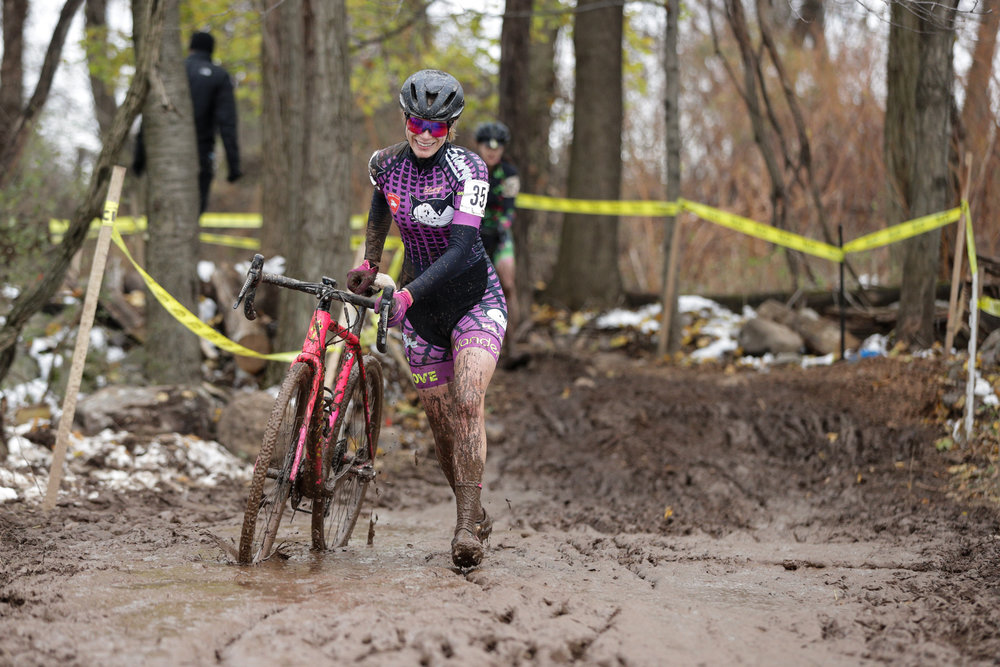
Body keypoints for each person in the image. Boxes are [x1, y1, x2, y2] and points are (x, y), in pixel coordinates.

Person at [346, 69, 506, 568]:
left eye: (436, 127)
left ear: (451, 128)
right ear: (405, 119)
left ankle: (464, 530)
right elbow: (379, 211)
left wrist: (407, 295)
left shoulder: (470, 169)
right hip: (422, 314)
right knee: (441, 426)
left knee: (467, 400)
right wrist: (369, 265)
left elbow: (461, 250)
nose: (423, 134)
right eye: (416, 122)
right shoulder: (385, 164)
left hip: (474, 300)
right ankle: (472, 508)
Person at [133, 31, 242, 214]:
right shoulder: (220, 77)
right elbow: (227, 123)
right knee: (192, 213)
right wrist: (234, 167)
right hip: (201, 156)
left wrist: (139, 161)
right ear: (211, 51)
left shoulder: (169, 73)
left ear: (190, 48)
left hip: (164, 156)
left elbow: (149, 118)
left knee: (162, 212)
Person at [474, 121, 526, 369]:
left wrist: (500, 228)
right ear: (479, 146)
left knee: (507, 283)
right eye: (487, 146)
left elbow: (509, 209)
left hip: (500, 234)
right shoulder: (470, 169)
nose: (492, 151)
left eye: (497, 147)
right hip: (472, 234)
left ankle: (512, 344)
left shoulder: (510, 173)